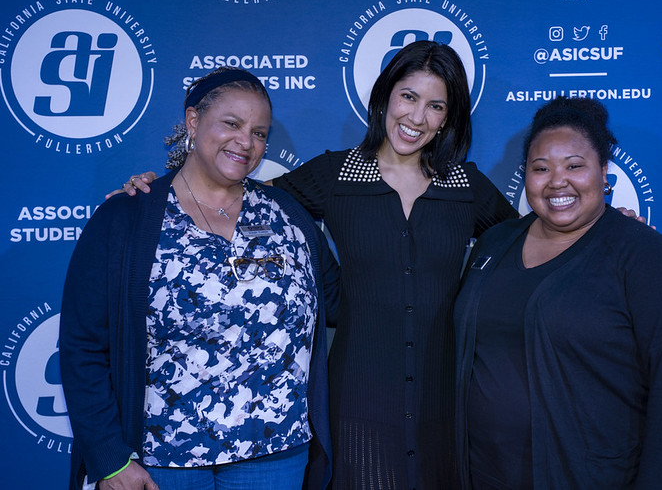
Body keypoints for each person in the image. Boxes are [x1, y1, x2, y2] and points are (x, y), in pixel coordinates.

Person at [116, 41, 519, 489]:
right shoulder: (337, 174)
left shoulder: (465, 185)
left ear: (450, 116)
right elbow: (233, 194)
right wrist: (159, 188)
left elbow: (532, 242)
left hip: (445, 404)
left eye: (435, 105)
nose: (417, 117)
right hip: (357, 405)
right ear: (385, 95)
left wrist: (601, 227)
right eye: (408, 96)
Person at [60, 67, 340, 490]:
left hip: (274, 458)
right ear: (193, 121)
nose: (246, 142)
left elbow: (343, 302)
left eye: (260, 133)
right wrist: (109, 460)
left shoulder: (288, 215)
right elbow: (82, 345)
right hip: (161, 462)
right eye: (232, 124)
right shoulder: (128, 216)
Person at [453, 96, 662, 489]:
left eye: (575, 166)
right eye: (541, 168)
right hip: (485, 473)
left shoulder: (648, 260)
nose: (557, 181)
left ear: (604, 172)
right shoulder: (495, 242)